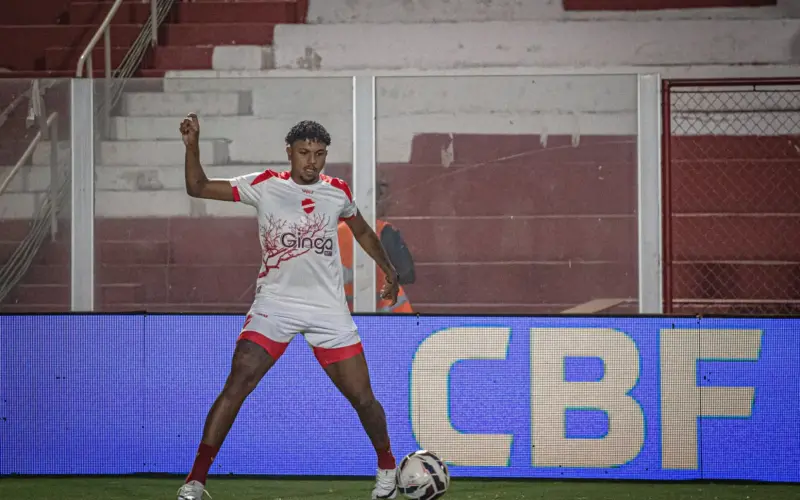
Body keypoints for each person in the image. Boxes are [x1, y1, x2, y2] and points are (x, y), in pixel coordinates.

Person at [176, 115, 401, 500]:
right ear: (289, 153)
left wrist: (389, 271)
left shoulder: (337, 192)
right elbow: (196, 187)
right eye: (304, 153)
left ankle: (387, 470)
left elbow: (362, 230)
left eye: (319, 154)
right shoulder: (264, 186)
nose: (312, 162)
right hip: (274, 306)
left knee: (363, 397)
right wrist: (193, 146)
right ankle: (195, 481)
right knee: (237, 384)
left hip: (328, 311)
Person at [337, 178, 416, 313]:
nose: (387, 205)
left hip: (345, 318)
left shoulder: (332, 233)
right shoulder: (384, 232)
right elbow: (407, 274)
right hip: (389, 320)